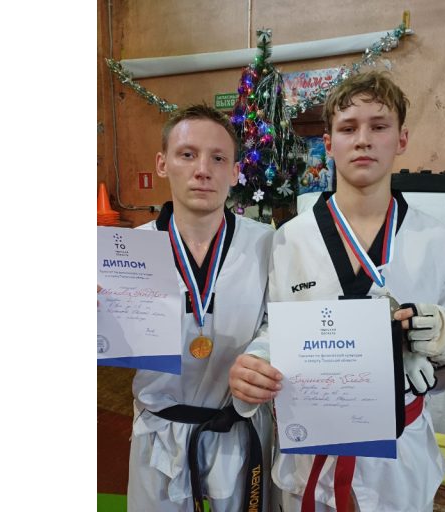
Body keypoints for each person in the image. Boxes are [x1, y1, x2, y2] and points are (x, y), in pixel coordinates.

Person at [228, 71, 445, 512]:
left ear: (401, 139)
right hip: (311, 447)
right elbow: (273, 326)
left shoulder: (433, 239)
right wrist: (256, 362)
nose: (363, 140)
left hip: (399, 455)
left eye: (378, 126)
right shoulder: (289, 239)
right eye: (348, 128)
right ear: (328, 144)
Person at [127, 104, 278, 512]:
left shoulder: (267, 244)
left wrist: (261, 356)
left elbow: (281, 322)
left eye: (218, 158)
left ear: (235, 172)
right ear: (163, 163)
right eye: (187, 154)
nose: (203, 170)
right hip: (159, 431)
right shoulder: (128, 252)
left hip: (240, 428)